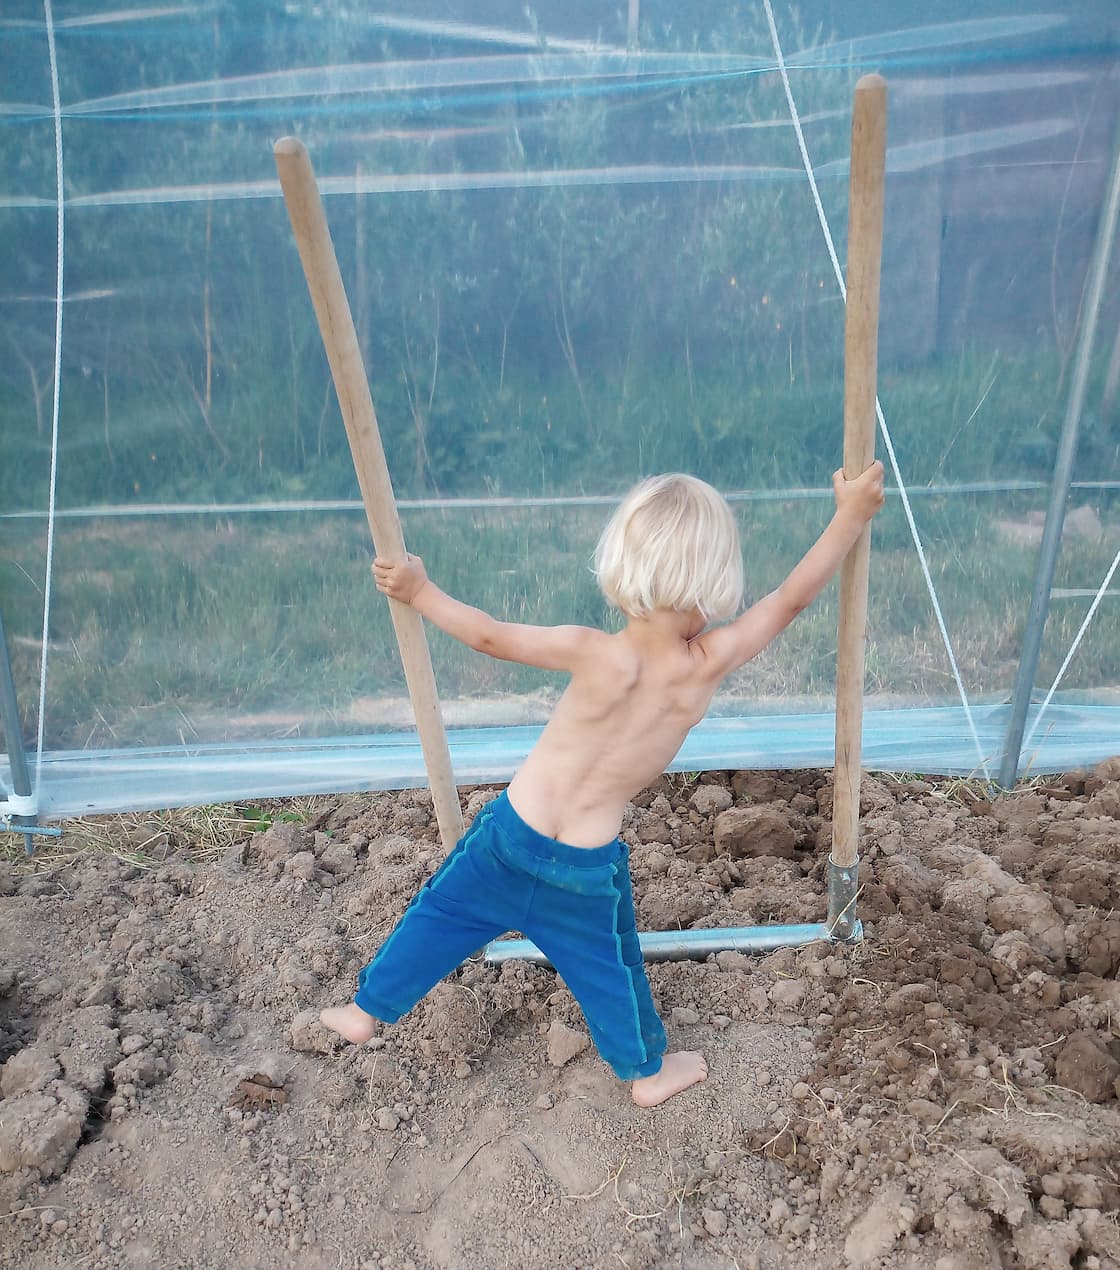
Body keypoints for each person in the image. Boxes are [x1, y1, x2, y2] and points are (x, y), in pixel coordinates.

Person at [321, 460, 885, 1106]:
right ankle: (646, 1072)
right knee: (609, 965)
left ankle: (366, 1010)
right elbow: (790, 599)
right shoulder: (705, 665)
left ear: (623, 566)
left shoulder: (593, 650)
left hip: (511, 835)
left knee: (439, 914)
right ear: (714, 584)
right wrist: (849, 516)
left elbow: (488, 637)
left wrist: (419, 590)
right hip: (583, 865)